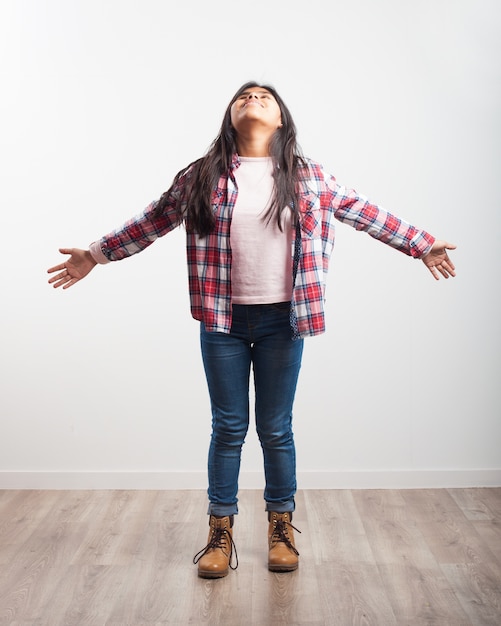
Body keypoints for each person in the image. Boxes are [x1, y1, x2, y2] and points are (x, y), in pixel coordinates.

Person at [47, 81, 456, 578]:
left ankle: (280, 528)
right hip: (224, 320)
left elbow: (370, 214)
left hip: (286, 319)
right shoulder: (202, 177)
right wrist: (95, 254)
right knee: (229, 428)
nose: (253, 100)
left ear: (281, 118)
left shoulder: (311, 179)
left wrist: (422, 244)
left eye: (265, 96)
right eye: (243, 96)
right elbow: (151, 221)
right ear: (229, 116)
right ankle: (220, 534)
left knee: (276, 429)